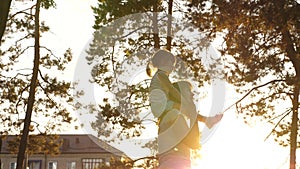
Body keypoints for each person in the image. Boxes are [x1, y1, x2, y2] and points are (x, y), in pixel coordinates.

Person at [147, 49, 223, 169]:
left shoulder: (161, 76)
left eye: (173, 65)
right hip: (162, 107)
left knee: (188, 111)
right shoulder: (161, 75)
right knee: (188, 109)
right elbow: (171, 91)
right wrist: (185, 102)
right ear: (162, 62)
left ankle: (206, 120)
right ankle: (201, 128)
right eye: (170, 64)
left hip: (165, 108)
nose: (172, 68)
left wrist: (185, 106)